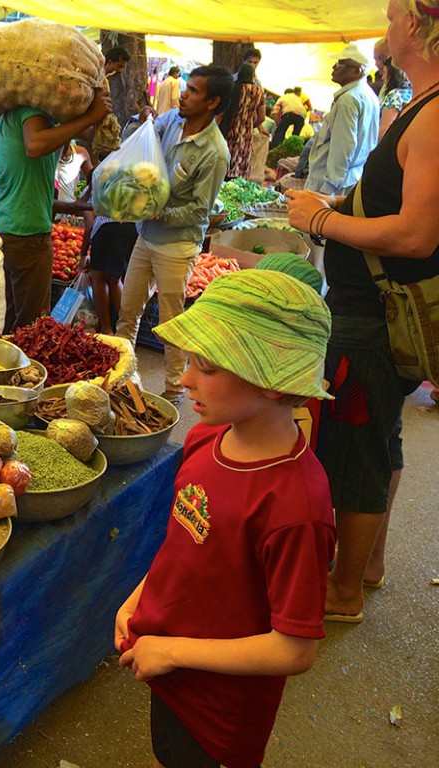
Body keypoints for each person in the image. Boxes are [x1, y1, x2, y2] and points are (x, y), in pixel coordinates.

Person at [116, 269, 336, 768]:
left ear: (275, 384)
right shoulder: (205, 440)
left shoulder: (295, 507)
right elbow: (185, 546)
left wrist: (174, 653)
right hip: (167, 666)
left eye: (208, 367)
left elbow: (295, 649)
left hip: (221, 710)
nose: (186, 377)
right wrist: (138, 599)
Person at [285, 0, 439, 622]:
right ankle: (365, 566)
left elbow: (416, 235)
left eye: (395, 13)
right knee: (381, 438)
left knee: (355, 453)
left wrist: (323, 219)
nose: (386, 26)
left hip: (373, 316)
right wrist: (339, 202)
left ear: (423, 26)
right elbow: (392, 206)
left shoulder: (433, 117)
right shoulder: (419, 109)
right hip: (371, 310)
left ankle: (342, 593)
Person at [115, 66, 232, 404]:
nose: (184, 93)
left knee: (170, 323)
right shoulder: (172, 122)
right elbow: (142, 138)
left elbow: (200, 211)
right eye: (187, 88)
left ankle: (173, 388)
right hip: (146, 236)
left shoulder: (214, 152)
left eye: (193, 91)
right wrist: (143, 120)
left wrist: (160, 213)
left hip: (177, 247)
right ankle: (123, 376)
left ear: (212, 102)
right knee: (129, 311)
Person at [0, 90, 112, 331]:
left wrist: (71, 207)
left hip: (5, 229)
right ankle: (23, 368)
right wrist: (91, 116)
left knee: (8, 319)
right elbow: (35, 146)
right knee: (32, 326)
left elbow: (24, 190)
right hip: (27, 235)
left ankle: (6, 365)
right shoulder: (32, 113)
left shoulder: (7, 119)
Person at [305, 44, 380, 197]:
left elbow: (343, 148)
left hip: (333, 186)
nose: (334, 67)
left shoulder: (348, 100)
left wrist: (328, 188)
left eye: (340, 64)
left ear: (356, 72)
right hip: (350, 179)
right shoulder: (368, 95)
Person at [220, 63, 267, 179]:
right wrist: (251, 125)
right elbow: (262, 117)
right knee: (240, 162)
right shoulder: (258, 92)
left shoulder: (233, 87)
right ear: (252, 75)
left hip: (230, 130)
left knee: (226, 161)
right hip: (246, 134)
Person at [378, 54, 414, 135]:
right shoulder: (411, 92)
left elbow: (385, 131)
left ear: (392, 75)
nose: (382, 77)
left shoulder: (394, 96)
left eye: (384, 73)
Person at [105, 46, 133, 127]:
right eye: (119, 66)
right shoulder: (97, 79)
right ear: (109, 62)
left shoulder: (111, 80)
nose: (121, 70)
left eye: (123, 67)